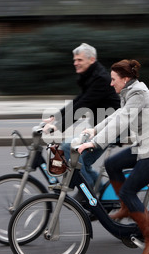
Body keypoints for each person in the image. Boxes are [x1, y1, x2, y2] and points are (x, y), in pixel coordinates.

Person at [78, 59, 149, 254]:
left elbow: (123, 121)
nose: (111, 83)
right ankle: (126, 208)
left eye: (114, 79)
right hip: (148, 145)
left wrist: (95, 143)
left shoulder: (138, 93)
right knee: (111, 164)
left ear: (125, 79)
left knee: (128, 190)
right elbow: (118, 115)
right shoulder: (129, 92)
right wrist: (95, 130)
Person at [44, 43, 120, 188]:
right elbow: (79, 100)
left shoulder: (100, 79)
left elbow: (83, 105)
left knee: (68, 148)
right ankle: (99, 193)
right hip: (100, 127)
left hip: (112, 129)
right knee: (80, 162)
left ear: (91, 60)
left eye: (79, 60)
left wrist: (57, 126)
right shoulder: (92, 76)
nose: (75, 63)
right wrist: (56, 117)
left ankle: (89, 195)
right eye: (75, 60)